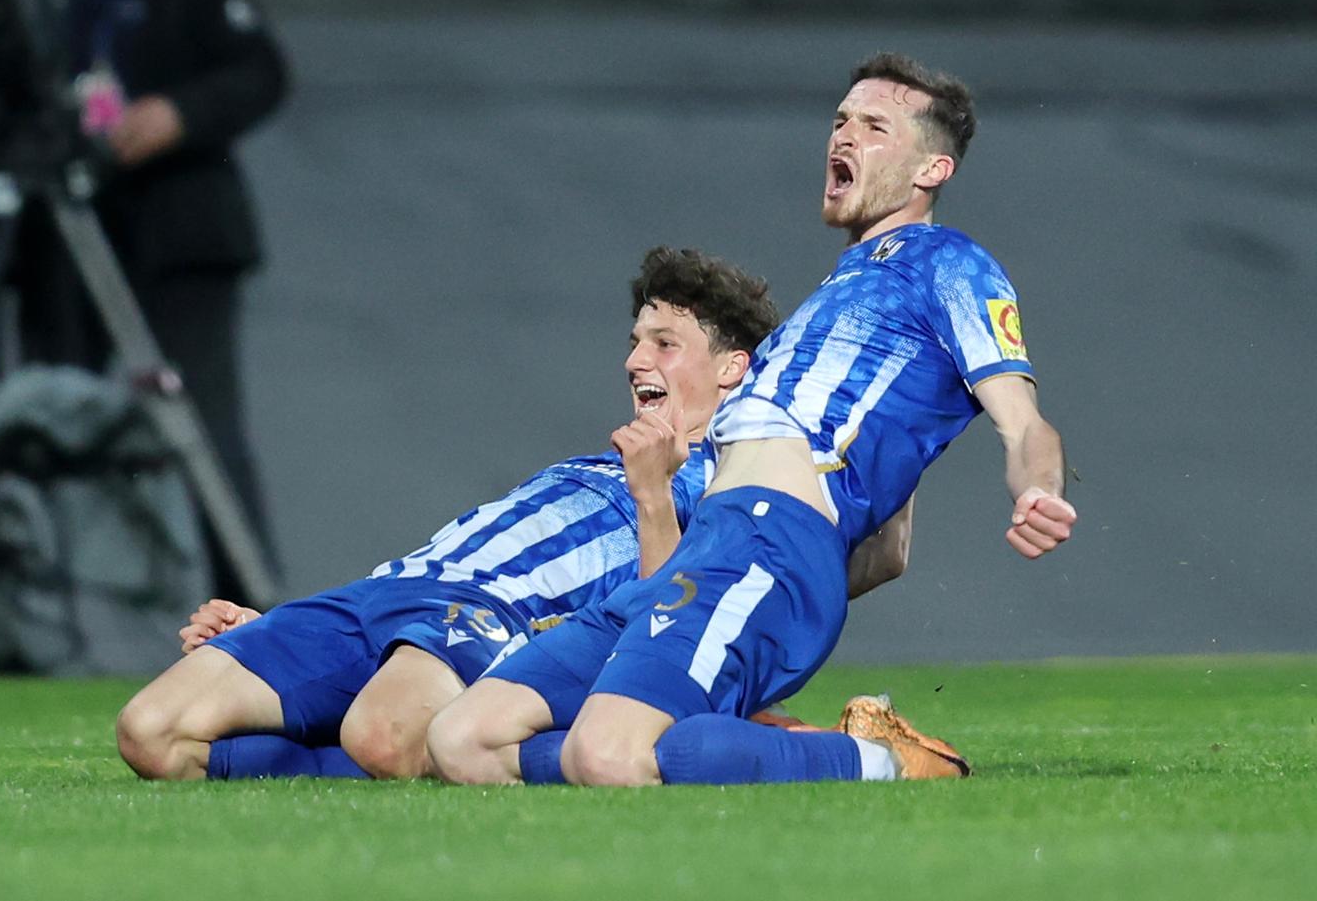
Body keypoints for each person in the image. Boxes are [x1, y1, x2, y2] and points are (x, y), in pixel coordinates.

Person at [426, 52, 1077, 787]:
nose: (844, 136)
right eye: (839, 120)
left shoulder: (951, 266)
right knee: (462, 739)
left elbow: (1024, 424)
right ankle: (716, 737)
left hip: (767, 540)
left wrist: (1039, 489)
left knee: (604, 754)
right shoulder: (836, 303)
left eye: (875, 126)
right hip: (708, 551)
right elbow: (889, 549)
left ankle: (882, 761)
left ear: (932, 171)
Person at [115, 247, 798, 781]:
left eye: (663, 342)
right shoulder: (595, 464)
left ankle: (471, 743)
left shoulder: (730, 482)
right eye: (635, 339)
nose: (632, 359)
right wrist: (278, 637)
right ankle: (350, 710)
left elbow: (673, 631)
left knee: (380, 735)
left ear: (733, 366)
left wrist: (653, 494)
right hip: (384, 594)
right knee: (150, 733)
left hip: (491, 616)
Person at [0, 0, 288, 601]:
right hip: (49, 241)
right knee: (44, 424)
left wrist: (179, 115)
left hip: (178, 229)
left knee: (205, 429)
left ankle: (249, 615)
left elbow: (260, 71)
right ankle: (34, 610)